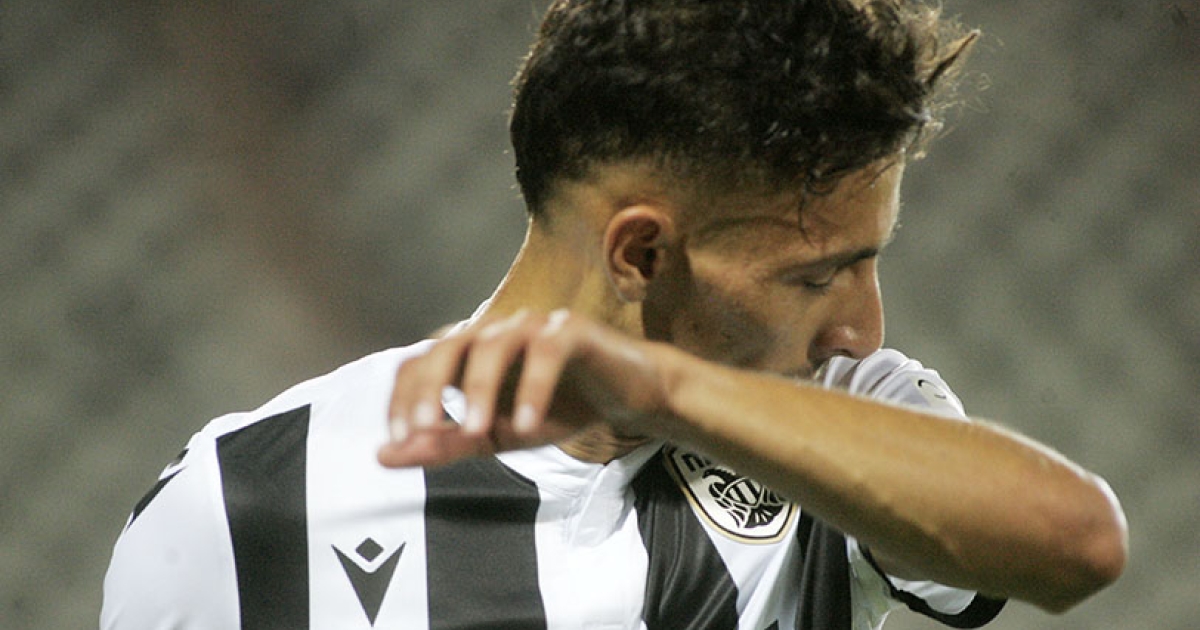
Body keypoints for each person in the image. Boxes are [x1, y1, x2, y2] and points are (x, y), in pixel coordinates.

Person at [102, 1, 1128, 629]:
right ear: (641, 254)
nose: (862, 328)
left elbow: (1076, 548)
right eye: (817, 276)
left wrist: (662, 391)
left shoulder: (842, 417)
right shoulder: (242, 508)